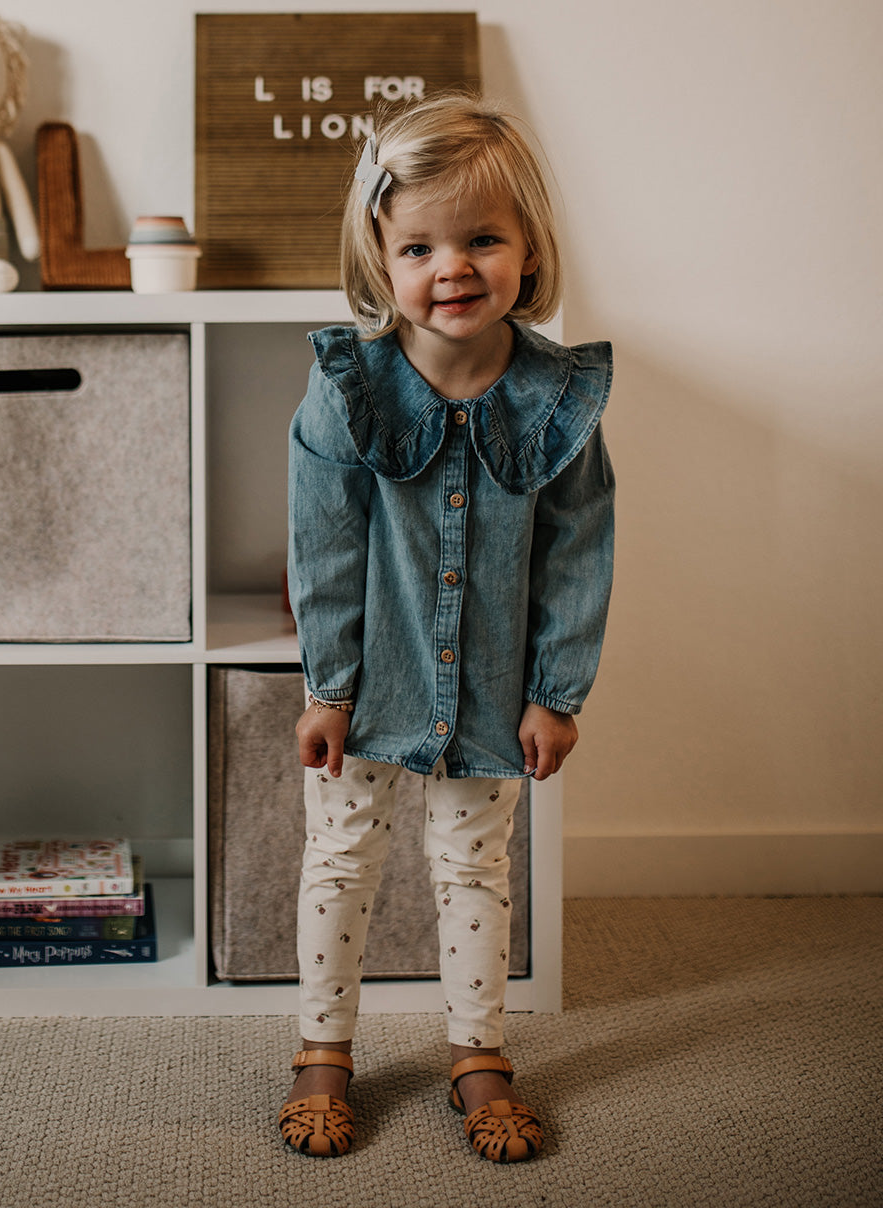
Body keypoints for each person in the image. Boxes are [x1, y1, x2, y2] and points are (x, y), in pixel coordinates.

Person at [278, 93, 615, 1163]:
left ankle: (477, 1052)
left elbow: (578, 551)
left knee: (475, 868)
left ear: (529, 247)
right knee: (341, 859)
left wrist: (556, 692)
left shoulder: (558, 400)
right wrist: (327, 687)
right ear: (380, 258)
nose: (452, 268)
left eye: (482, 240)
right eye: (418, 246)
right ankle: (322, 1049)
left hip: (490, 690)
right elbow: (324, 547)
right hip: (368, 684)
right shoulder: (348, 389)